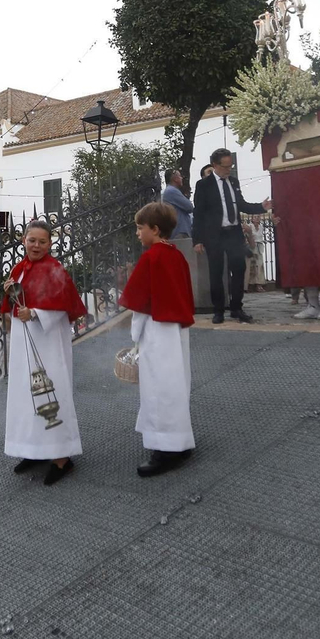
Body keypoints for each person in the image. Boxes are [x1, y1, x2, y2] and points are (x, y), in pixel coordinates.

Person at [0, 219, 86, 485]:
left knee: (50, 391)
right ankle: (33, 449)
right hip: (24, 343)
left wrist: (35, 313)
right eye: (32, 240)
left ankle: (61, 457)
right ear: (23, 240)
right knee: (25, 396)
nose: (36, 245)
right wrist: (11, 296)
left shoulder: (54, 269)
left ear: (50, 244)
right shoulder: (19, 269)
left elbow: (64, 306)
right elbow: (12, 305)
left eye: (42, 241)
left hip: (48, 344)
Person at [120, 202, 197, 477]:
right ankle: (180, 441)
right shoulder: (175, 255)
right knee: (176, 385)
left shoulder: (152, 257)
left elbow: (139, 305)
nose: (138, 234)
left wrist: (135, 337)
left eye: (140, 228)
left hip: (156, 331)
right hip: (176, 330)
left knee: (158, 389)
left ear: (155, 229)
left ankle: (166, 450)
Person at [191, 148, 271, 324]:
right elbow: (199, 213)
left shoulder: (233, 182)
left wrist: (261, 207)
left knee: (239, 269)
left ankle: (236, 308)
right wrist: (197, 239)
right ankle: (218, 310)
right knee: (216, 273)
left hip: (234, 233)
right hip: (215, 235)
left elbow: (241, 204)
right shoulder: (204, 185)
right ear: (215, 165)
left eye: (231, 166)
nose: (229, 170)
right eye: (226, 166)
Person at [161, 169, 194, 240]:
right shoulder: (172, 191)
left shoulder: (170, 191)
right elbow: (189, 207)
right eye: (180, 176)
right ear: (175, 179)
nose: (181, 178)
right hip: (180, 231)